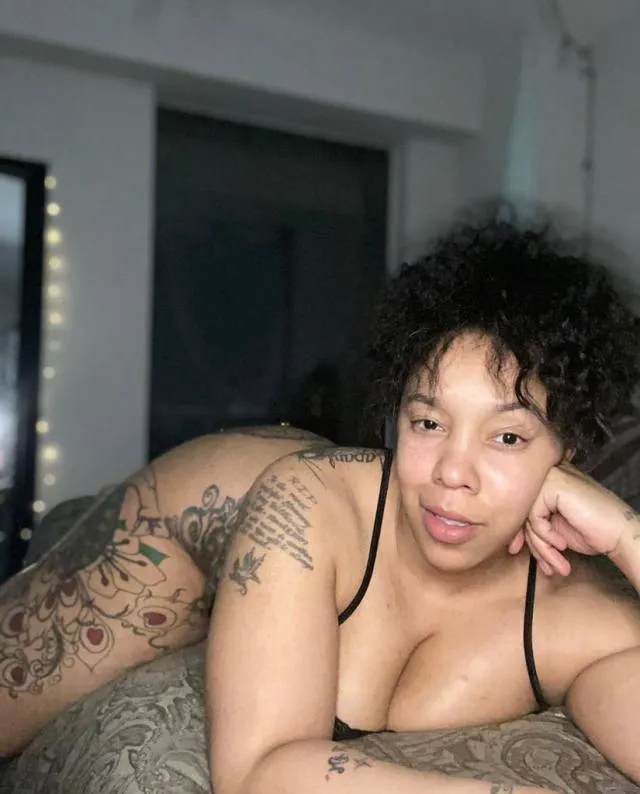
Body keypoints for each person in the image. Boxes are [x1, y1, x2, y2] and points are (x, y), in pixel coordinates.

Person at [1, 207, 640, 794]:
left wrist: (623, 532)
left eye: (507, 437)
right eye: (427, 422)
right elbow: (258, 771)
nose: (452, 472)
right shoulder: (305, 506)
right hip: (199, 515)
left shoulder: (579, 624)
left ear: (568, 451)